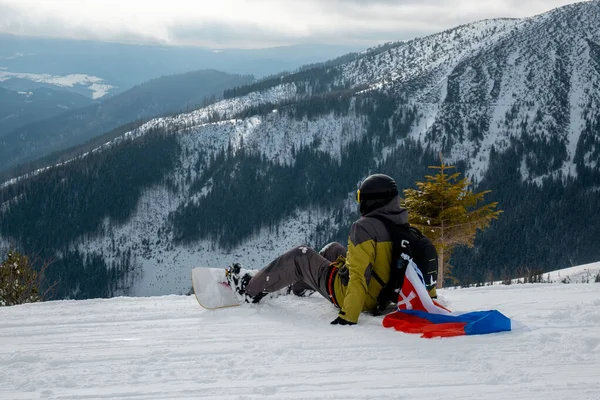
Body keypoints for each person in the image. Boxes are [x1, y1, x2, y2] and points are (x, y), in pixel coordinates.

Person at [225, 173, 433, 325]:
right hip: (382, 294)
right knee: (333, 249)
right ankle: (298, 287)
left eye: (361, 198)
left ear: (371, 201)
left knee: (301, 255)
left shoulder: (364, 228)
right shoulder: (399, 224)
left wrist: (348, 317)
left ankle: (249, 289)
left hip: (358, 296)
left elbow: (358, 277)